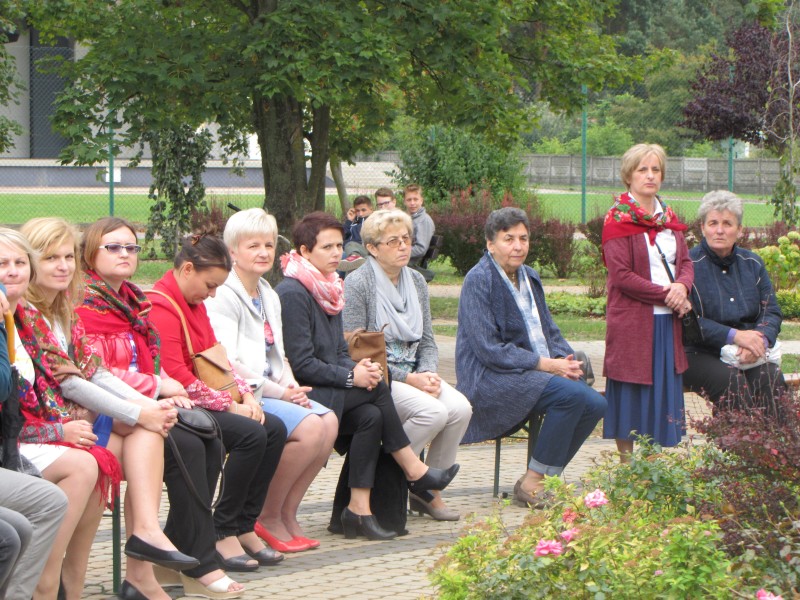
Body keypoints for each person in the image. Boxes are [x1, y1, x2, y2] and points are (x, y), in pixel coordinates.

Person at [12, 218, 195, 600]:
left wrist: (145, 407)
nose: (63, 266)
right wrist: (139, 411)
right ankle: (57, 581)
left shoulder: (64, 309)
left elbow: (94, 372)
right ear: (32, 263)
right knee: (101, 460)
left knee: (137, 440)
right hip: (42, 431)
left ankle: (140, 541)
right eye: (50, 258)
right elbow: (69, 382)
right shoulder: (27, 313)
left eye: (68, 257)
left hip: (70, 425)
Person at [75, 217, 252, 599]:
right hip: (98, 413)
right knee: (188, 444)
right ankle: (192, 560)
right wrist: (157, 388)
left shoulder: (132, 301)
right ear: (89, 251)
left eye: (131, 247)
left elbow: (157, 362)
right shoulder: (82, 302)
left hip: (138, 406)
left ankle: (160, 565)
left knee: (209, 440)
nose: (125, 254)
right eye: (113, 247)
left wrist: (160, 392)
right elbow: (92, 372)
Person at [276, 212, 459, 540]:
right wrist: (352, 377)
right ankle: (414, 469)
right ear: (304, 251)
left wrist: (361, 369)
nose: (337, 253)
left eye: (339, 245)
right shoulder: (294, 292)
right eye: (327, 247)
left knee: (372, 415)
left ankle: (358, 509)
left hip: (332, 382)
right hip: (307, 390)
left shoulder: (329, 287)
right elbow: (303, 364)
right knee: (379, 390)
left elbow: (340, 350)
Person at [149, 226, 287, 596]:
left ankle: (240, 524)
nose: (212, 295)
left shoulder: (193, 304)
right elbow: (176, 375)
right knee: (251, 434)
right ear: (187, 270)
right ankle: (219, 528)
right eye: (210, 285)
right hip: (183, 403)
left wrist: (248, 397)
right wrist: (230, 405)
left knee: (273, 429)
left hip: (202, 400)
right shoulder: (162, 306)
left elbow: (217, 358)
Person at [206, 208, 337, 552]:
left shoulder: (268, 293)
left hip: (272, 389)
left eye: (268, 245)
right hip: (241, 393)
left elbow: (278, 355)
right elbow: (227, 361)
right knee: (310, 428)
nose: (263, 252)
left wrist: (292, 386)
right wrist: (281, 392)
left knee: (329, 422)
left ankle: (286, 513)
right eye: (253, 246)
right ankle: (265, 514)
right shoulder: (223, 294)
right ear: (232, 251)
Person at [456, 207, 606, 507]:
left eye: (523, 238)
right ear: (490, 244)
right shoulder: (479, 280)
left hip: (530, 373)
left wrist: (566, 360)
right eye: (508, 239)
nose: (518, 246)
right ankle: (532, 484)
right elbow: (489, 349)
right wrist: (547, 365)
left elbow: (550, 331)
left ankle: (541, 477)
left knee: (596, 403)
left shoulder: (530, 276)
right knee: (571, 397)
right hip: (489, 377)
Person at [343, 210, 471, 521]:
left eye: (406, 239)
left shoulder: (416, 281)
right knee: (433, 412)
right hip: (381, 377)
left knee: (460, 409)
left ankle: (428, 492)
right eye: (393, 241)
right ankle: (390, 477)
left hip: (416, 373)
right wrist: (409, 378)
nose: (403, 246)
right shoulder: (358, 283)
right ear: (372, 248)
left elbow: (427, 340)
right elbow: (357, 350)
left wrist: (427, 373)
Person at [601, 143, 694, 460]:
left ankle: (653, 465)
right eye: (643, 170)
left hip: (667, 323)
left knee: (661, 393)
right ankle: (628, 467)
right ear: (629, 175)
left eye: (656, 170)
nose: (650, 175)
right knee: (630, 392)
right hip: (632, 323)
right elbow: (622, 276)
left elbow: (685, 262)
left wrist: (682, 285)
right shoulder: (617, 218)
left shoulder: (668, 216)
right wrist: (669, 294)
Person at [684, 190, 785, 408]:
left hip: (749, 350)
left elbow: (771, 311)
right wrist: (736, 336)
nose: (719, 230)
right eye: (713, 223)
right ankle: (734, 433)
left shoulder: (752, 264)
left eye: (727, 224)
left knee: (770, 378)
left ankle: (777, 433)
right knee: (731, 384)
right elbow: (688, 321)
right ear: (702, 228)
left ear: (739, 230)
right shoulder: (687, 266)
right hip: (700, 352)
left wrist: (759, 342)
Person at [0, 275, 67, 600]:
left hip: (21, 437)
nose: (11, 272)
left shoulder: (37, 319)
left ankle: (60, 588)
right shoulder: (16, 320)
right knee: (78, 471)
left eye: (19, 263)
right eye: (3, 264)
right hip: (19, 439)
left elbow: (77, 375)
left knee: (97, 458)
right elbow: (5, 386)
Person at [403, 184, 435, 267]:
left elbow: (420, 249)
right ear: (404, 201)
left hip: (409, 264)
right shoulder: (405, 218)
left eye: (415, 199)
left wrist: (398, 253)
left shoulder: (424, 220)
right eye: (409, 200)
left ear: (421, 201)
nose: (412, 203)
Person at [342, 195, 373, 260]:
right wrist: (349, 220)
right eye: (357, 211)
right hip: (347, 251)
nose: (360, 214)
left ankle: (354, 258)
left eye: (363, 210)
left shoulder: (374, 222)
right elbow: (341, 236)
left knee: (350, 245)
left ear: (371, 209)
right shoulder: (352, 223)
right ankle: (355, 259)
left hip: (367, 251)